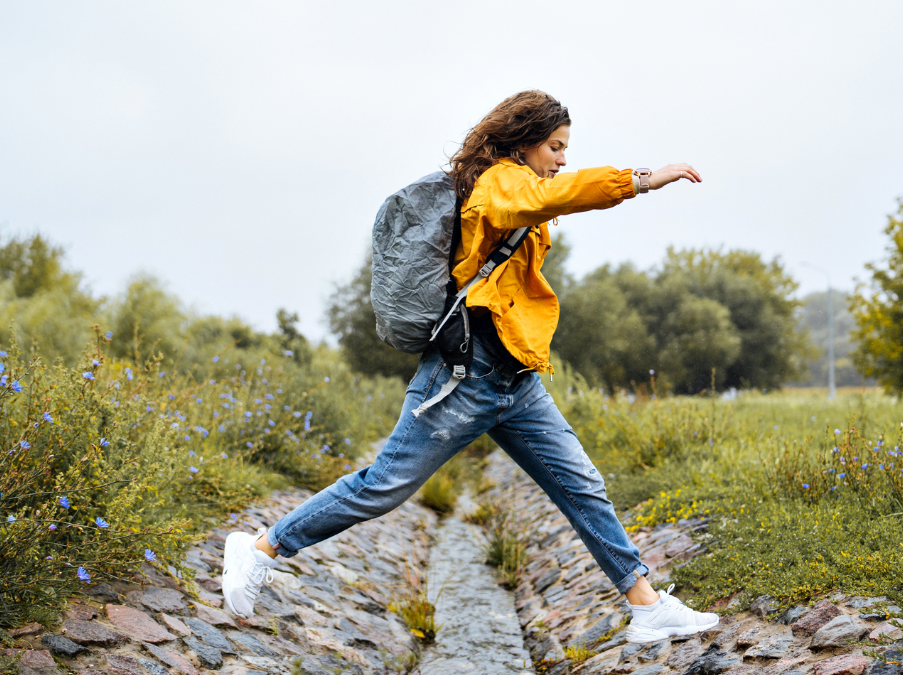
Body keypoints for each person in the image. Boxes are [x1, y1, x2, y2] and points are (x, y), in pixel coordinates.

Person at [223, 90, 719, 644]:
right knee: (383, 486)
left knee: (581, 485)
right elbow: (560, 193)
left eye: (565, 149)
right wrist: (643, 178)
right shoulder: (499, 183)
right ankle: (262, 547)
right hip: (466, 376)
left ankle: (645, 605)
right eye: (555, 147)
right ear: (524, 142)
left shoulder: (520, 186)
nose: (561, 159)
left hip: (516, 381)